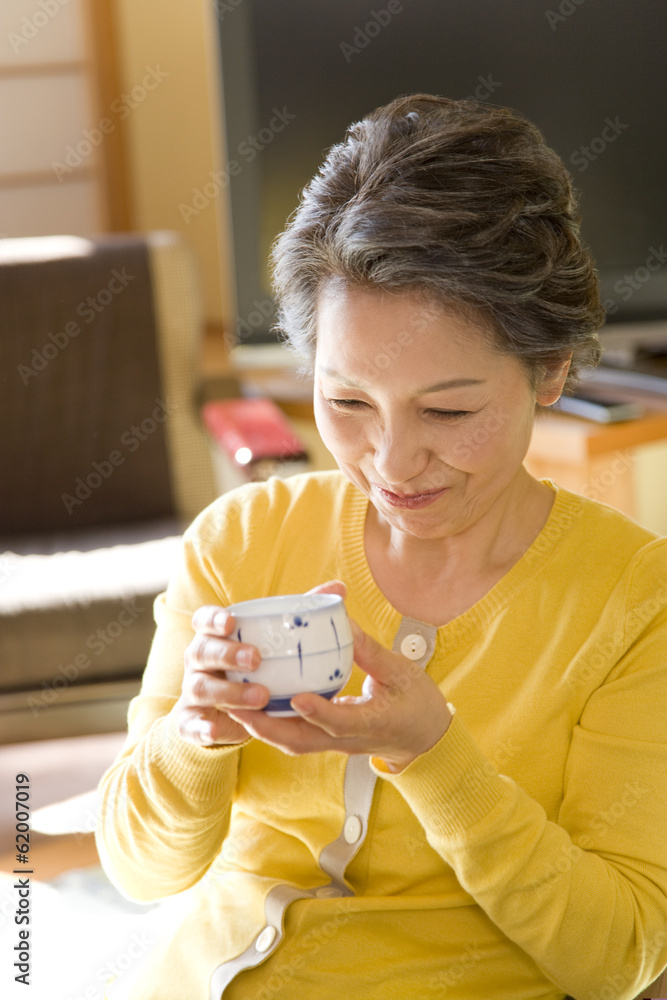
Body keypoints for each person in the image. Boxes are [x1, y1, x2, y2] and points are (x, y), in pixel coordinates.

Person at [96, 94, 667, 1000]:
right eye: (347, 403)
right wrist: (191, 738)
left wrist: (436, 757)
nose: (392, 463)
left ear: (550, 369)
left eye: (447, 410)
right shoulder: (241, 540)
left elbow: (620, 958)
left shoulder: (633, 601)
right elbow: (138, 873)